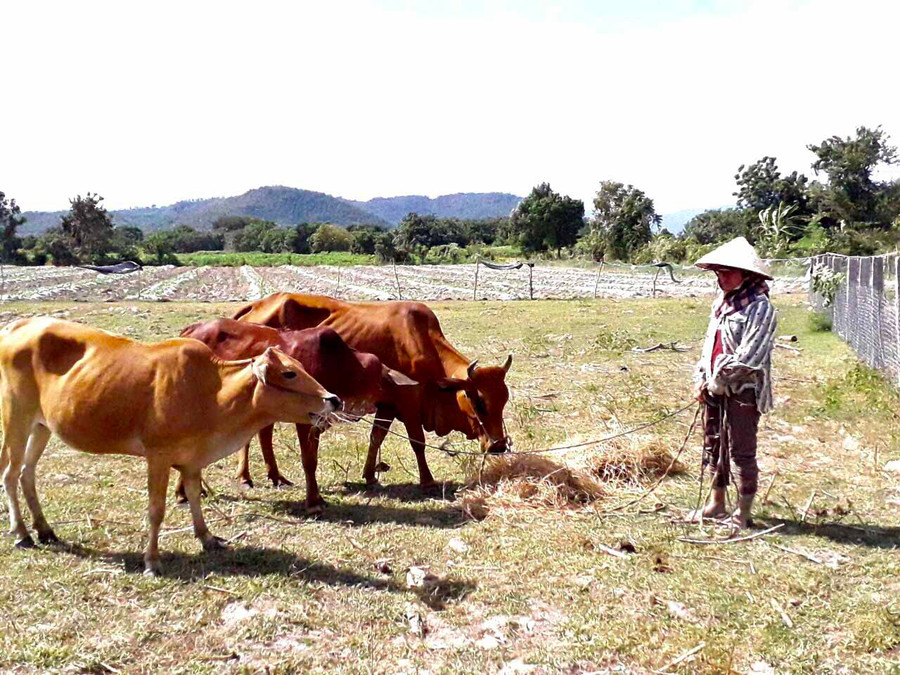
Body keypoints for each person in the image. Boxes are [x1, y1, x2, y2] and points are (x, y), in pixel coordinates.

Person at [689, 237, 777, 529]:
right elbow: (709, 346)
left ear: (747, 275)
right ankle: (716, 503)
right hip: (714, 387)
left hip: (743, 391)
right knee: (714, 444)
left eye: (727, 273)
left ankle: (743, 511)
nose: (721, 279)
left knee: (741, 449)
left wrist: (720, 379)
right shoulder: (721, 304)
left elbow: (750, 357)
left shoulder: (760, 308)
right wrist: (703, 377)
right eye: (718, 273)